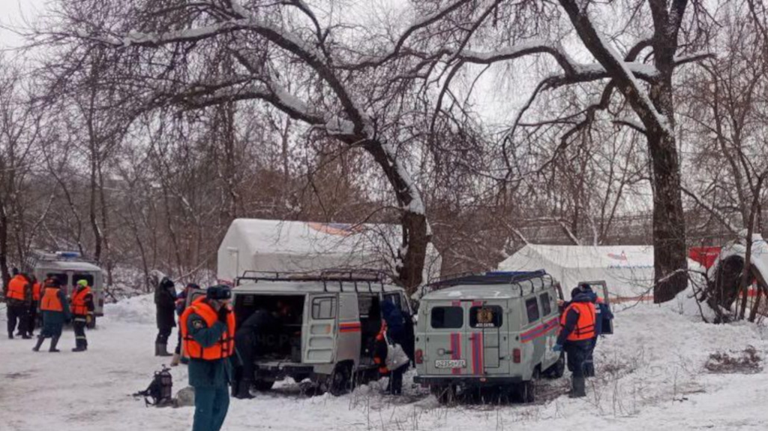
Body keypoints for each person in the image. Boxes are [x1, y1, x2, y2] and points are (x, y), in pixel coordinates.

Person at [180, 285, 236, 431]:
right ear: (212, 301)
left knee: (222, 405)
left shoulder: (222, 314)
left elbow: (227, 340)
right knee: (205, 410)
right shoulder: (195, 316)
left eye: (227, 302)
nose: (225, 306)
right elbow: (206, 340)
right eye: (222, 303)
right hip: (203, 368)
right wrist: (220, 322)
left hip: (220, 366)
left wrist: (237, 362)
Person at [554, 288, 596, 398]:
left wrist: (559, 342)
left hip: (576, 341)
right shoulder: (589, 305)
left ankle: (579, 391)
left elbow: (568, 328)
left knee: (576, 366)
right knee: (579, 364)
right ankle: (576, 388)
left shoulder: (574, 309)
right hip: (588, 339)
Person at [232, 308, 278, 399]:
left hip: (240, 335)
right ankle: (243, 392)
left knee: (240, 364)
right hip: (246, 336)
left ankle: (235, 391)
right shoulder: (265, 314)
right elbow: (273, 326)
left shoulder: (255, 316)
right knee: (247, 363)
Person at [578, 284, 614, 377]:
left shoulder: (580, 301)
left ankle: (586, 373)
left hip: (584, 331)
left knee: (584, 352)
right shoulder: (598, 300)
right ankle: (589, 372)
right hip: (595, 331)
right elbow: (608, 315)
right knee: (589, 351)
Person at [33, 278, 70, 353]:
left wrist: (40, 312)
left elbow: (39, 302)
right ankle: (52, 348)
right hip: (57, 314)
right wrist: (68, 316)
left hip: (46, 313)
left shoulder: (44, 291)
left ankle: (37, 347)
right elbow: (65, 305)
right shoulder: (59, 292)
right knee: (56, 331)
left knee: (45, 330)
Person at [373, 321, 409, 395]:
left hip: (396, 357)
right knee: (397, 372)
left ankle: (393, 390)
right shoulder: (384, 337)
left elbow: (381, 359)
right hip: (398, 356)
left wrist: (382, 366)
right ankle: (396, 389)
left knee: (395, 372)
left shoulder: (380, 348)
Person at [171, 283, 201, 366]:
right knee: (181, 339)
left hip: (194, 320)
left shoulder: (196, 296)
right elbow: (179, 311)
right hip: (183, 322)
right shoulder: (181, 298)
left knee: (195, 338)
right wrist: (185, 302)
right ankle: (176, 359)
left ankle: (188, 357)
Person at [6, 268, 32, 339]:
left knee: (11, 319)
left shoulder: (12, 281)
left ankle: (10, 333)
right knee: (23, 319)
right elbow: (28, 295)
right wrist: (28, 306)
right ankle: (24, 334)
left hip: (10, 303)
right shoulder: (25, 283)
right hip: (21, 304)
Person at [154, 276, 177, 357]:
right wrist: (174, 305)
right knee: (165, 332)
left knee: (162, 332)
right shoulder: (163, 294)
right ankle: (162, 351)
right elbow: (168, 304)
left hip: (163, 316)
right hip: (165, 316)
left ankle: (158, 350)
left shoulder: (160, 291)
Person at [70, 279, 95, 352]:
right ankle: (84, 344)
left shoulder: (87, 294)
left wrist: (89, 315)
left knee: (79, 331)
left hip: (82, 314)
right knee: (79, 330)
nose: (77, 286)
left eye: (79, 285)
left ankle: (80, 346)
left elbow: (90, 306)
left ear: (83, 285)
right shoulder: (77, 292)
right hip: (76, 314)